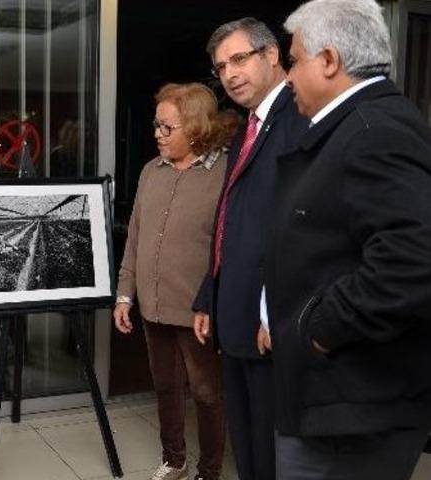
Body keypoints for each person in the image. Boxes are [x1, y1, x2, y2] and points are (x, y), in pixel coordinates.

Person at [264, 1, 431, 478]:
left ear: (330, 60)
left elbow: (414, 260)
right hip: (336, 402)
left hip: (350, 410)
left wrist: (319, 329)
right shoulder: (357, 126)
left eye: (293, 61)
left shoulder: (375, 130)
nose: (288, 77)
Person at [192, 18, 307, 480]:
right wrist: (209, 295)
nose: (230, 74)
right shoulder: (247, 129)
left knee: (274, 453)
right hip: (233, 313)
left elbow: (300, 228)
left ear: (273, 54)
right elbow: (231, 223)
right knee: (248, 448)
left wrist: (274, 308)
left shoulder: (298, 119)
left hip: (270, 323)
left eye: (239, 59)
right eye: (221, 67)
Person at [115, 82, 237, 480]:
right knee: (166, 387)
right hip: (152, 304)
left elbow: (231, 247)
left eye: (167, 128)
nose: (157, 134)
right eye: (156, 125)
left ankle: (210, 470)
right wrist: (124, 294)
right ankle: (174, 460)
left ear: (196, 127)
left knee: (206, 393)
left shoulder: (226, 174)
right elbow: (135, 235)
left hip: (197, 310)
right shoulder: (152, 171)